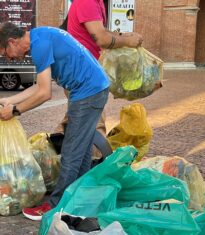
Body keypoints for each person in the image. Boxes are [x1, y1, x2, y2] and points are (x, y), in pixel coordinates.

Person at [0, 22, 109, 221]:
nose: (8, 58)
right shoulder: (40, 36)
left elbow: (45, 94)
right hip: (92, 89)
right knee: (83, 149)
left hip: (88, 92)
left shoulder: (39, 46)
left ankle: (55, 206)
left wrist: (15, 111)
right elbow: (39, 86)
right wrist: (8, 100)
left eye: (4, 53)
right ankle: (76, 200)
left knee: (72, 151)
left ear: (12, 42)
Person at [57, 0, 143, 157]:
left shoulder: (97, 2)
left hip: (84, 72)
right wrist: (127, 41)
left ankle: (57, 157)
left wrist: (122, 35)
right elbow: (101, 38)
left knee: (74, 121)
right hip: (82, 75)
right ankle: (97, 169)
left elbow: (101, 30)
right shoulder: (87, 1)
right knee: (95, 126)